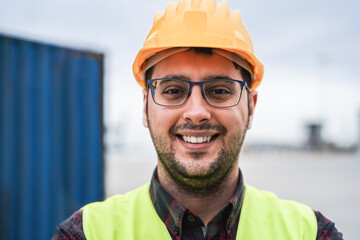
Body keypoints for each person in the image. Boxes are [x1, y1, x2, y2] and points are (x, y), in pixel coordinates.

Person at [53, 0, 343, 239]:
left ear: (251, 108)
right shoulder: (86, 234)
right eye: (173, 91)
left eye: (219, 91)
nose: (196, 112)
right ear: (145, 107)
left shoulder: (311, 233)